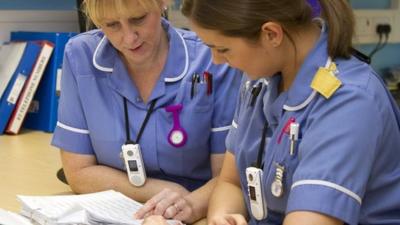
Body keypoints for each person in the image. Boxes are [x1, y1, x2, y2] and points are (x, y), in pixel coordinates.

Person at [179, 0, 400, 224]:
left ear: (272, 34)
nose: (216, 61)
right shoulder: (259, 79)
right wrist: (222, 217)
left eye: (223, 49)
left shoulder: (349, 102)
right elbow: (230, 181)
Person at [51, 0, 242, 224]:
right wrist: (163, 191)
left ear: (163, 3)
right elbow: (79, 172)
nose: (129, 38)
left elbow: (228, 178)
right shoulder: (80, 56)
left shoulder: (213, 58)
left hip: (200, 212)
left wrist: (187, 205)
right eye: (111, 24)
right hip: (119, 212)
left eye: (138, 19)